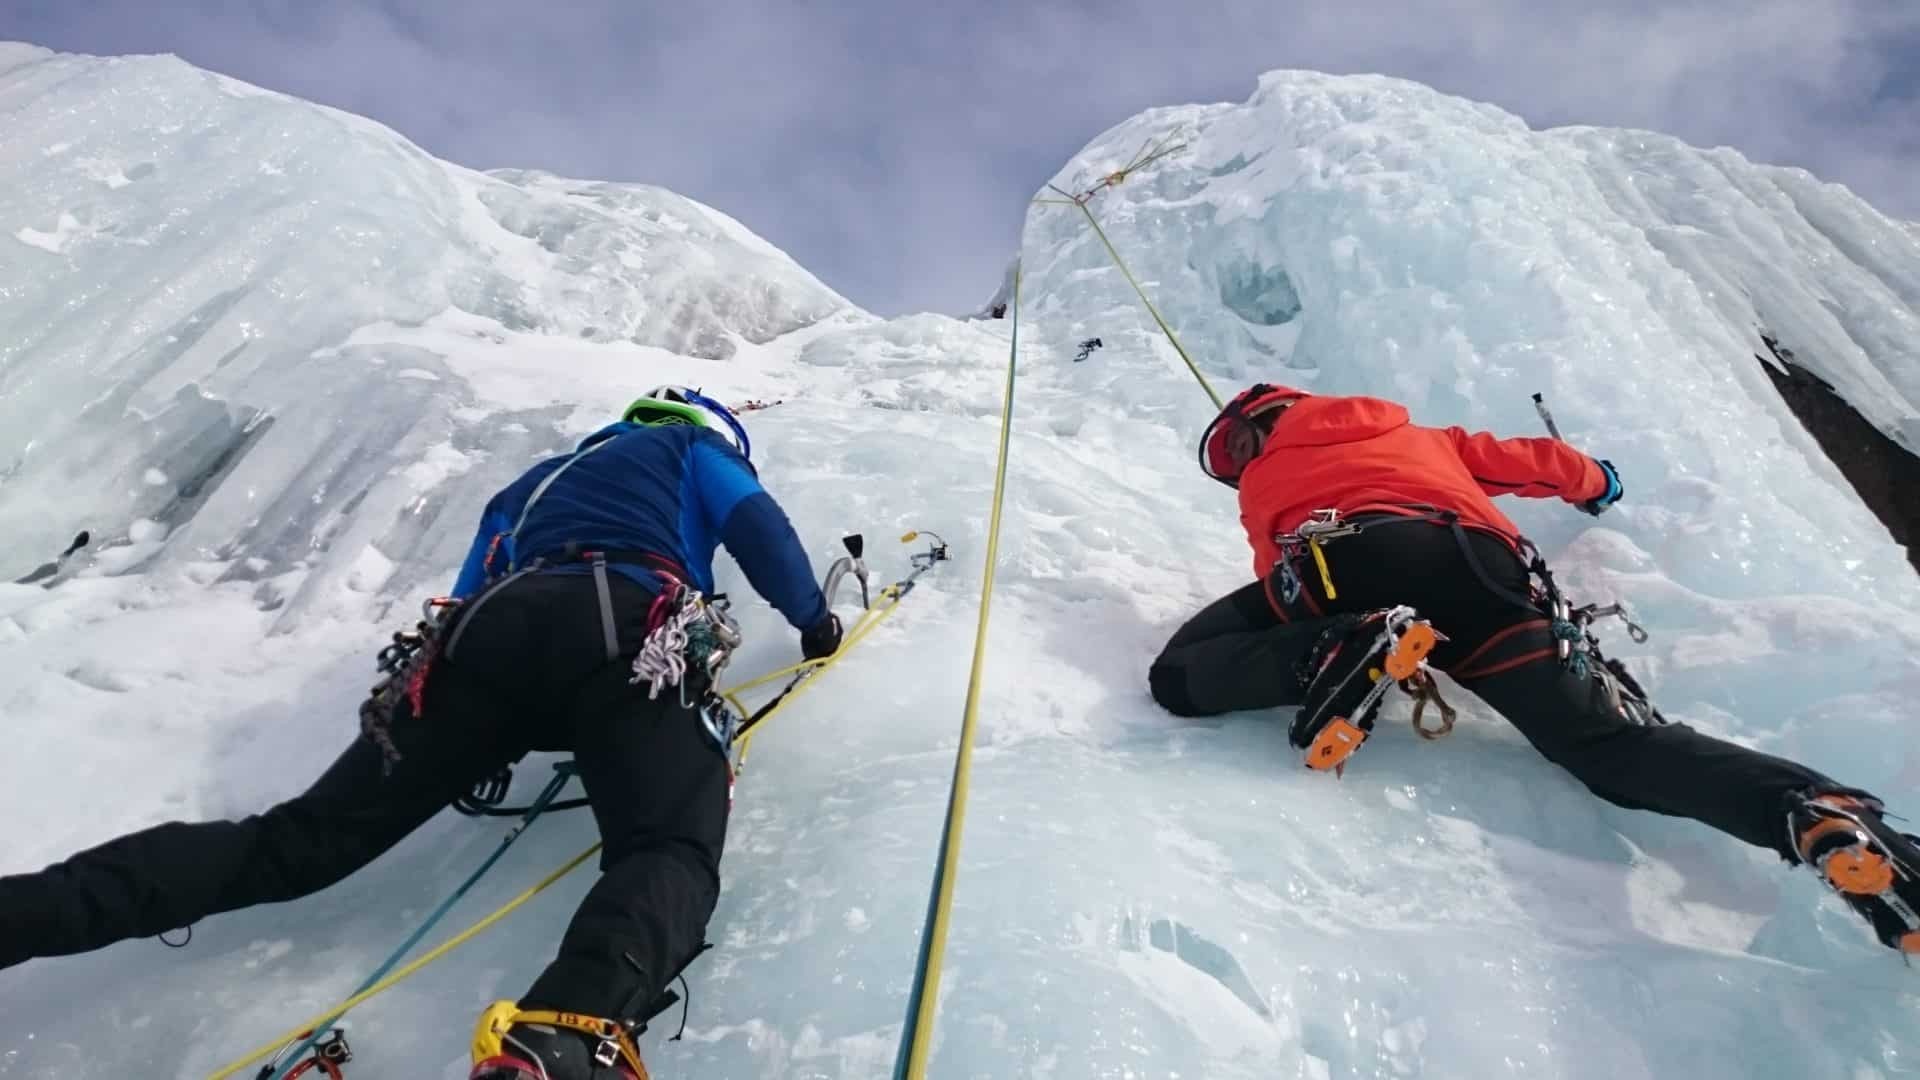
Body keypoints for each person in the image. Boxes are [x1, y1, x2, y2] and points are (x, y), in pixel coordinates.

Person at [0, 386, 845, 1079]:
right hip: (627, 618)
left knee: (298, 841)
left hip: (482, 637)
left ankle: (26, 913)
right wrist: (813, 622)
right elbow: (758, 531)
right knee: (667, 841)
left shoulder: (534, 485)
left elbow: (467, 591)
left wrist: (475, 732)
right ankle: (564, 1032)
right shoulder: (692, 452)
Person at [1151, 382, 1920, 955]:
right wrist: (1598, 481)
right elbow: (1530, 462)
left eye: (1236, 447)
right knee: (1608, 751)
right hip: (1486, 574)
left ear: (1267, 420)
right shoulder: (1422, 435)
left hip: (1344, 560)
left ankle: (1344, 646)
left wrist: (1318, 633)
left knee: (1179, 673)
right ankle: (1814, 816)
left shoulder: (1264, 478)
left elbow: (1277, 574)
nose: (1239, 465)